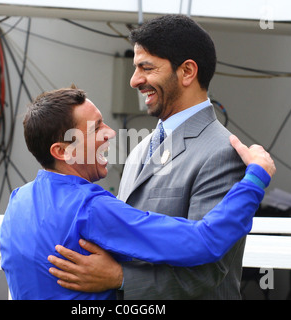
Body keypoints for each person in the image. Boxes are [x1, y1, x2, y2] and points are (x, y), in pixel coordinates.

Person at [48, 15, 265, 300]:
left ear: (187, 72)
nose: (135, 80)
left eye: (146, 68)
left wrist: (119, 277)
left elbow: (210, 270)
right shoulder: (141, 148)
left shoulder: (223, 152)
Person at [0, 88, 275, 300]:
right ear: (62, 151)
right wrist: (255, 179)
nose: (110, 134)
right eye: (96, 128)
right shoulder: (91, 209)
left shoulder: (17, 202)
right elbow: (206, 241)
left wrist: (118, 275)